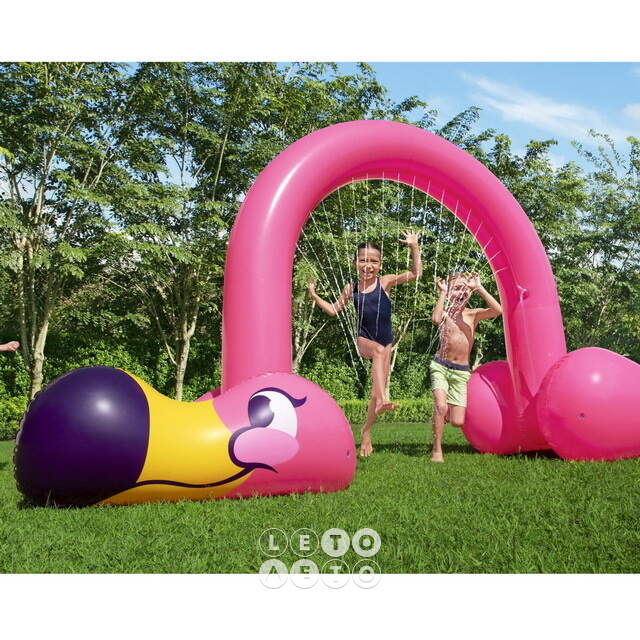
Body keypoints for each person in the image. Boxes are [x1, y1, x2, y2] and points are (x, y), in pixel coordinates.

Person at [308, 231, 422, 457]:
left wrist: (414, 246)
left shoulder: (385, 282)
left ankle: (366, 431)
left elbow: (416, 274)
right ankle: (382, 400)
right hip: (364, 340)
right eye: (362, 260)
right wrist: (314, 296)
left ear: (380, 265)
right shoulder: (351, 288)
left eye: (373, 261)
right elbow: (333, 310)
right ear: (355, 263)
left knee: (375, 389)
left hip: (386, 342)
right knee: (377, 354)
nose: (368, 265)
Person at [429, 272, 502, 462]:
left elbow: (498, 310)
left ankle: (443, 413)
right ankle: (437, 449)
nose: (461, 292)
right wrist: (442, 293)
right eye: (456, 288)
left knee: (457, 421)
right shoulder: (446, 313)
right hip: (440, 366)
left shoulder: (473, 314)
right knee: (440, 405)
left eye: (465, 288)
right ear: (449, 291)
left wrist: (479, 287)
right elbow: (435, 318)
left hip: (461, 372)